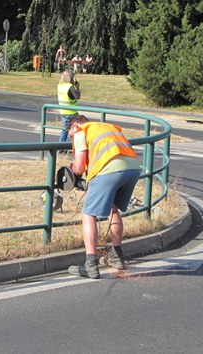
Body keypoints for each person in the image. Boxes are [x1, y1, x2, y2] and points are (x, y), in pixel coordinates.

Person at [65, 114, 140, 279]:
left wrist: (72, 168)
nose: (71, 140)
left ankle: (90, 264)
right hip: (133, 168)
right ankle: (117, 256)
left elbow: (78, 168)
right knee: (114, 208)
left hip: (110, 169)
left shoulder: (80, 132)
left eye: (69, 136)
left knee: (88, 214)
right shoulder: (105, 127)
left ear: (73, 127)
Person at [57, 70, 81, 143]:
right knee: (76, 130)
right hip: (72, 112)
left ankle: (61, 146)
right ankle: (75, 146)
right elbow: (77, 96)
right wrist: (77, 87)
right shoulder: (70, 87)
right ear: (71, 78)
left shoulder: (60, 85)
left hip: (63, 111)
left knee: (65, 129)